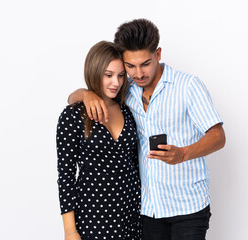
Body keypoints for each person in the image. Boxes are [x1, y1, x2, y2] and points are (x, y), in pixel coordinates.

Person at [68, 19, 226, 240]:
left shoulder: (188, 86)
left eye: (145, 63)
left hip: (188, 208)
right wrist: (86, 94)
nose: (138, 73)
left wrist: (182, 154)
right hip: (148, 210)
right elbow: (73, 97)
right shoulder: (126, 90)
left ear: (158, 54)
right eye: (130, 66)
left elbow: (218, 136)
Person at [56, 41, 141, 240]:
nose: (116, 82)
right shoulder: (73, 116)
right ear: (94, 71)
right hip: (92, 220)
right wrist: (70, 231)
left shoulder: (128, 110)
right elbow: (66, 176)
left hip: (132, 217)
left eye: (121, 75)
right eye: (108, 75)